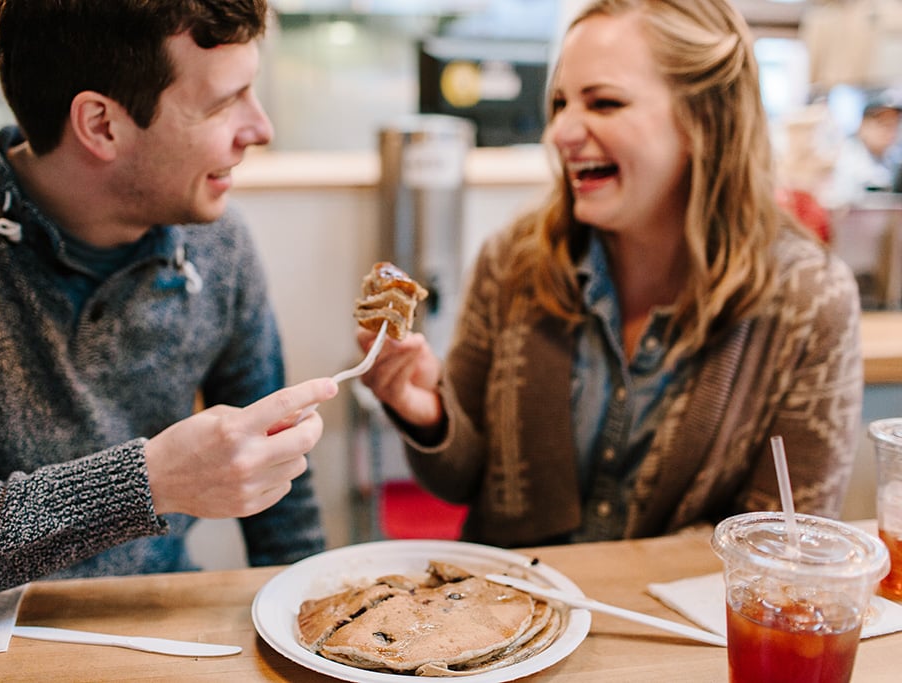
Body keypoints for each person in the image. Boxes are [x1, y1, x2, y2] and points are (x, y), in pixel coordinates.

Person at [358, 0, 863, 548]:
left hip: (685, 631)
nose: (561, 132)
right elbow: (460, 479)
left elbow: (788, 545)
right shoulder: (514, 261)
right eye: (560, 103)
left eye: (604, 102)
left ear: (704, 121)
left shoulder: (811, 300)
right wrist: (427, 413)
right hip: (512, 620)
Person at [0, 0, 338, 599]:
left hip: (162, 619)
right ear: (100, 125)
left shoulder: (219, 243)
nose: (261, 129)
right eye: (225, 102)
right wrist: (147, 483)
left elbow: (286, 509)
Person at [823, 91, 902, 209]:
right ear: (863, 125)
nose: (889, 131)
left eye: (893, 124)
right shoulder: (844, 157)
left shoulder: (893, 159)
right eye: (882, 124)